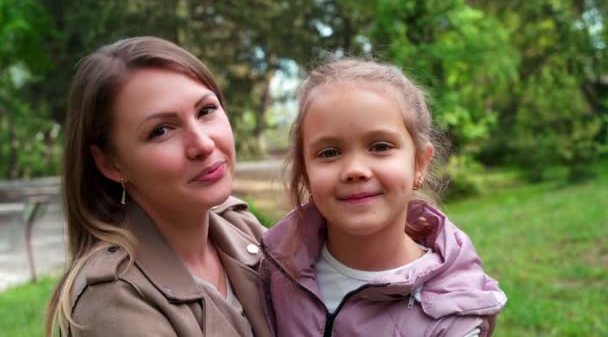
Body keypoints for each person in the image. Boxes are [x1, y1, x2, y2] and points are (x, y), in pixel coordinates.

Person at [259, 58, 507, 336]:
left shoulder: (451, 316)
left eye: (379, 146)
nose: (355, 170)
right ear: (306, 174)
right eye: (329, 152)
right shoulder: (277, 271)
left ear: (419, 164)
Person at [45, 37, 272, 337]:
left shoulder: (241, 227)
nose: (203, 144)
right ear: (112, 164)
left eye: (206, 110)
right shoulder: (114, 300)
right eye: (161, 131)